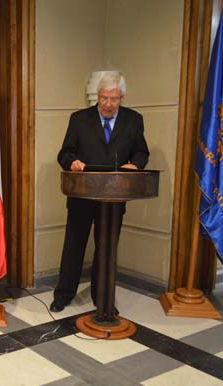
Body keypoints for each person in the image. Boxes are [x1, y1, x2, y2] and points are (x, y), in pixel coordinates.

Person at [51, 72, 150, 312]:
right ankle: (63, 295)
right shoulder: (79, 119)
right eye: (104, 98)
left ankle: (103, 297)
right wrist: (72, 162)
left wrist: (135, 165)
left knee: (106, 249)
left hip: (114, 196)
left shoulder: (133, 120)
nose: (108, 104)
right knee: (74, 246)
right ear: (98, 96)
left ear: (122, 98)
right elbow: (65, 153)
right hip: (82, 195)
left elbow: (141, 152)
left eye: (114, 99)